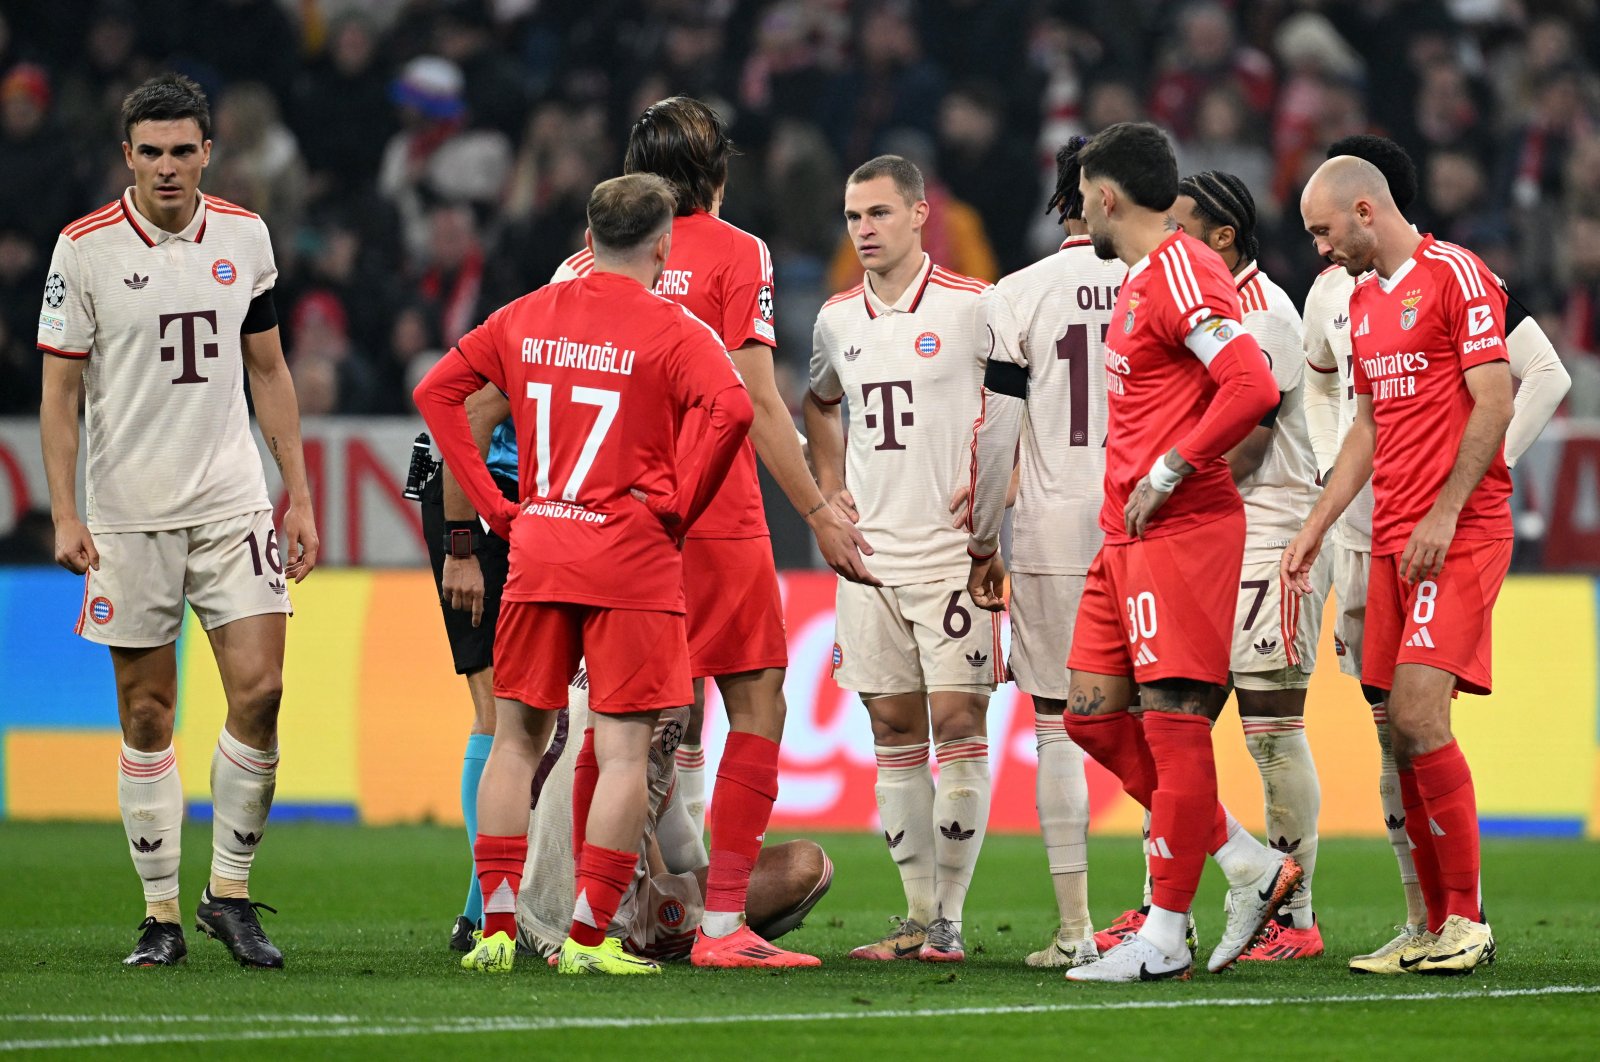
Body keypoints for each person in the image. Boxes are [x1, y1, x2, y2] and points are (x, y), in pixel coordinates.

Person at [413, 173, 754, 976]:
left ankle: (496, 928)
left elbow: (439, 392)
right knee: (625, 748)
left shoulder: (529, 314)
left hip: (540, 545)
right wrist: (681, 504)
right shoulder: (675, 328)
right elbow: (735, 411)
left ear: (589, 235)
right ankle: (590, 941)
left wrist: (497, 510)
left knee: (517, 736)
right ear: (664, 244)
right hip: (631, 558)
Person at [554, 96, 868, 970]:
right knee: (758, 701)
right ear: (719, 176)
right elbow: (755, 400)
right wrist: (815, 509)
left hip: (621, 523)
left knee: (619, 724)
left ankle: (595, 915)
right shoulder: (739, 252)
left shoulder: (586, 263)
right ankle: (723, 928)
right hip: (717, 516)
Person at [36, 73, 318, 969]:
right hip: (128, 516)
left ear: (208, 152)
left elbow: (269, 371)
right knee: (148, 712)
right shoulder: (82, 250)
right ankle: (160, 917)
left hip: (231, 504)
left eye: (181, 150)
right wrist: (66, 511)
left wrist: (298, 493)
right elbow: (59, 394)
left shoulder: (244, 235)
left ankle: (227, 896)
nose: (166, 167)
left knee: (263, 694)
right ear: (128, 155)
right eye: (150, 151)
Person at [1032, 122, 1296, 984]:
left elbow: (1252, 384)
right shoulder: (1146, 279)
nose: (1078, 217)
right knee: (1090, 717)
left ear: (1107, 197)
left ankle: (1165, 936)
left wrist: (1176, 466)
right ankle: (1246, 863)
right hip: (1127, 539)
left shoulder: (1182, 269)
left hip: (1183, 531)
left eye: (1082, 200)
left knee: (1175, 730)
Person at [1289, 154, 1566, 976]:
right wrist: (1315, 526)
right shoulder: (1365, 301)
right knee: (1396, 735)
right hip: (1391, 539)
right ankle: (1432, 925)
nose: (1320, 250)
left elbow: (1499, 397)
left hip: (1460, 531)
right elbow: (1366, 432)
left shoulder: (1457, 276)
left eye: (1324, 231)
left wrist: (1446, 511)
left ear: (1366, 211)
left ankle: (1468, 924)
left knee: (1417, 718)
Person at [806, 155, 998, 964]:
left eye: (880, 214)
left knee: (958, 721)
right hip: (869, 560)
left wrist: (1004, 486)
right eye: (854, 217)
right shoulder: (836, 320)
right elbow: (816, 402)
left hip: (954, 556)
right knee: (892, 727)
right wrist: (827, 485)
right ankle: (917, 916)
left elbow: (1032, 403)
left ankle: (949, 921)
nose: (865, 230)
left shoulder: (977, 308)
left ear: (921, 215)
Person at [963, 136, 1118, 969]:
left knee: (1058, 726)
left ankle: (1075, 930)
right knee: (1165, 724)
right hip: (1151, 521)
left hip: (1058, 528)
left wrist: (986, 540)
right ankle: (1177, 912)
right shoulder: (1167, 281)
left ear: (1062, 202)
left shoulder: (1016, 294)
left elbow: (998, 436)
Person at [1167, 170, 1326, 960]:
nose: (1168, 243)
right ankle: (1165, 910)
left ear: (1222, 238)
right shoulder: (1203, 309)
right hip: (1212, 539)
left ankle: (1294, 922)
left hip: (1273, 535)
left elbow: (1251, 443)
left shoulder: (1261, 313)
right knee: (1176, 731)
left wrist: (1162, 481)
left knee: (1270, 730)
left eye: (1182, 227)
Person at [517, 669, 834, 962]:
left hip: (521, 912)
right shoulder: (659, 698)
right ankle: (627, 931)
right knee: (808, 864)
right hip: (590, 924)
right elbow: (634, 820)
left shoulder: (572, 661)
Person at [417, 391, 519, 953]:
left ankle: (491, 907)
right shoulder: (532, 328)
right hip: (480, 506)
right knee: (499, 712)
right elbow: (465, 410)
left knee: (533, 715)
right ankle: (482, 911)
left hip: (541, 511)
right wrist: (461, 546)